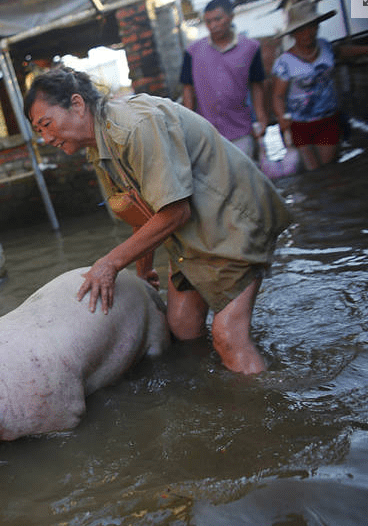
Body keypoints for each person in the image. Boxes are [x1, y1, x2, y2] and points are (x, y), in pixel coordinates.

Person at [24, 67, 292, 375]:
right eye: (39, 131)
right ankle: (221, 382)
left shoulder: (133, 127)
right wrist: (144, 271)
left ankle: (260, 403)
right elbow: (139, 211)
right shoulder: (98, 147)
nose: (46, 138)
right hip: (193, 234)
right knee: (182, 328)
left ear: (77, 104)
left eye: (47, 125)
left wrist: (110, 263)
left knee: (228, 336)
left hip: (234, 219)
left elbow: (176, 212)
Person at [272, 0, 368, 171]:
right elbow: (278, 96)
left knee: (328, 170)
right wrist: (281, 117)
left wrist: (365, 49)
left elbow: (343, 51)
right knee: (313, 171)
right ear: (293, 34)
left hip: (328, 120)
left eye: (312, 26)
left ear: (318, 27)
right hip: (300, 125)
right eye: (301, 30)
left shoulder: (325, 46)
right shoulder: (284, 62)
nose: (307, 33)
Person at [180, 0, 268, 158]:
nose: (213, 25)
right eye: (208, 21)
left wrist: (261, 117)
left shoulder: (250, 47)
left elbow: (257, 84)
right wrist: (188, 126)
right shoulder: (192, 52)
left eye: (218, 19)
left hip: (241, 129)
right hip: (206, 133)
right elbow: (187, 89)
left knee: (244, 176)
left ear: (231, 17)